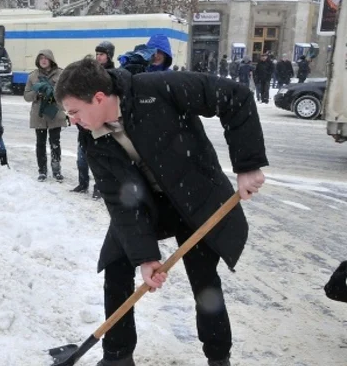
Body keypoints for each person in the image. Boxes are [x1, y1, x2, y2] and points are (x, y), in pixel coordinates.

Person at [54, 57, 268, 366]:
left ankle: (218, 358)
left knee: (204, 278)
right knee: (116, 264)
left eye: (74, 111)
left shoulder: (156, 89)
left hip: (195, 198)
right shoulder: (93, 139)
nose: (73, 120)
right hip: (149, 206)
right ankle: (117, 355)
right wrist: (145, 257)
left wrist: (247, 165)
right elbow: (120, 203)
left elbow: (235, 97)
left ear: (98, 98)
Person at [72, 41, 114, 198]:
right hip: (85, 121)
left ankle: (99, 187)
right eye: (97, 54)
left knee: (99, 158)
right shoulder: (90, 73)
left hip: (100, 121)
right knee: (82, 156)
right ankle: (83, 183)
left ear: (109, 56)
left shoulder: (112, 74)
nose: (98, 57)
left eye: (101, 54)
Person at [24, 49, 69, 182]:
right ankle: (42, 171)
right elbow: (26, 96)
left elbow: (66, 93)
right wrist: (37, 94)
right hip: (39, 114)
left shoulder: (61, 74)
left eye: (46, 58)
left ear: (51, 60)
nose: (43, 60)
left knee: (55, 142)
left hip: (55, 113)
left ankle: (56, 170)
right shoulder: (32, 76)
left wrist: (53, 93)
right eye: (41, 58)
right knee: (40, 143)